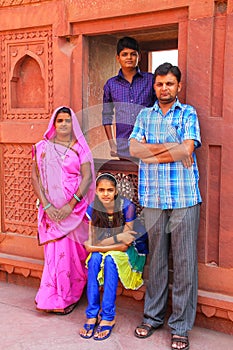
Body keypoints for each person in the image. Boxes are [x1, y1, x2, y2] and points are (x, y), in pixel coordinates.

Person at [129, 63, 202, 350]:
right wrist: (170, 150)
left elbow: (188, 149)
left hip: (184, 198)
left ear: (178, 86)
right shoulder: (144, 115)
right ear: (154, 86)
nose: (164, 88)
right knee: (156, 261)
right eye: (160, 84)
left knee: (184, 264)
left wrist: (152, 151)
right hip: (154, 198)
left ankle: (181, 326)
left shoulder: (188, 113)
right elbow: (134, 149)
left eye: (170, 84)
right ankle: (152, 316)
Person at [31, 106, 95, 315]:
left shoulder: (80, 149)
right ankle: (51, 298)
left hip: (74, 212)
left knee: (72, 255)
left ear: (73, 124)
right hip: (50, 212)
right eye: (60, 120)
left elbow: (86, 178)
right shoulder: (42, 148)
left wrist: (70, 205)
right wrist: (47, 206)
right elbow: (35, 178)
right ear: (54, 124)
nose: (64, 124)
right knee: (55, 254)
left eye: (68, 120)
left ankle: (71, 295)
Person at [79, 173, 148, 341]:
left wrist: (97, 245)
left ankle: (108, 316)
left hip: (131, 252)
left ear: (116, 191)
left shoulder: (127, 207)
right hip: (107, 247)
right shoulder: (93, 208)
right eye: (101, 190)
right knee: (95, 259)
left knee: (110, 260)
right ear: (95, 191)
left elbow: (124, 245)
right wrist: (97, 245)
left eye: (110, 190)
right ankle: (92, 314)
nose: (106, 194)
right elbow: (92, 240)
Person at [102, 36, 156, 160]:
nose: (129, 58)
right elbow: (106, 115)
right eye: (124, 54)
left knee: (149, 178)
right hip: (123, 146)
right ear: (118, 58)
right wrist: (112, 145)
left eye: (133, 54)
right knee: (129, 178)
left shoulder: (150, 80)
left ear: (139, 57)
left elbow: (159, 109)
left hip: (148, 143)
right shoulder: (111, 84)